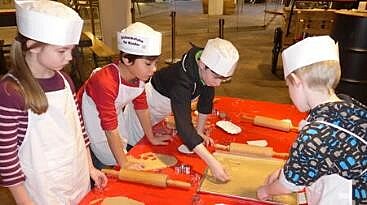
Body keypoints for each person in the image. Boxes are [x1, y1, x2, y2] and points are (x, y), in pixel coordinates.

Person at [0, 1, 107, 204]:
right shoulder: (10, 92)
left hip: (76, 178)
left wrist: (90, 168)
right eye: (62, 51)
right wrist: (25, 201)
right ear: (32, 46)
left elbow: (79, 131)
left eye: (71, 50)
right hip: (42, 191)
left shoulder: (66, 81)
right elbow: (7, 159)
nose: (69, 58)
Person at [256, 36, 367, 204]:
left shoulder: (313, 135)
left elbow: (287, 186)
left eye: (289, 86)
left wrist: (265, 190)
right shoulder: (351, 104)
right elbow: (327, 156)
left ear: (296, 81)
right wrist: (285, 172)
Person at [122, 38, 239, 182]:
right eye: (216, 77)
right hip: (145, 109)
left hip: (163, 109)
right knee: (138, 146)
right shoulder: (182, 81)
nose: (218, 83)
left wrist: (199, 132)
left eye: (224, 79)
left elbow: (206, 99)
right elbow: (183, 126)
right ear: (202, 65)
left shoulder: (206, 67)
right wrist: (212, 163)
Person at [77, 22, 169, 169]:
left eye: (155, 63)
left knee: (120, 145)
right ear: (127, 59)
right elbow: (109, 127)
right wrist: (124, 164)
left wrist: (150, 136)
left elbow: (141, 106)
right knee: (103, 156)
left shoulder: (137, 75)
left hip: (112, 113)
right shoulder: (105, 82)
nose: (154, 69)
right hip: (89, 118)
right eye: (148, 64)